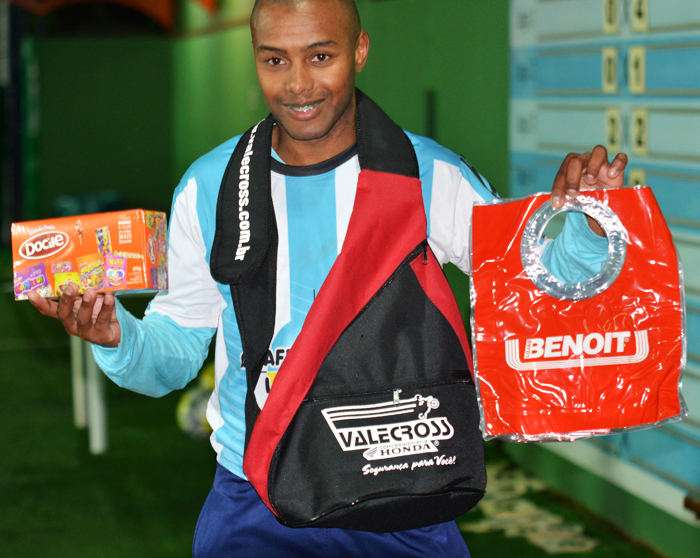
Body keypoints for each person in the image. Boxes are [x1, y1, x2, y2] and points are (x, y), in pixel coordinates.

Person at [29, 0, 628, 556]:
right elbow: (171, 358)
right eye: (275, 60)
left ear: (359, 51)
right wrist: (116, 337)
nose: (297, 84)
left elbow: (537, 284)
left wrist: (589, 226)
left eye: (321, 56)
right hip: (256, 501)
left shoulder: (425, 172)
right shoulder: (210, 186)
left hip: (405, 493)